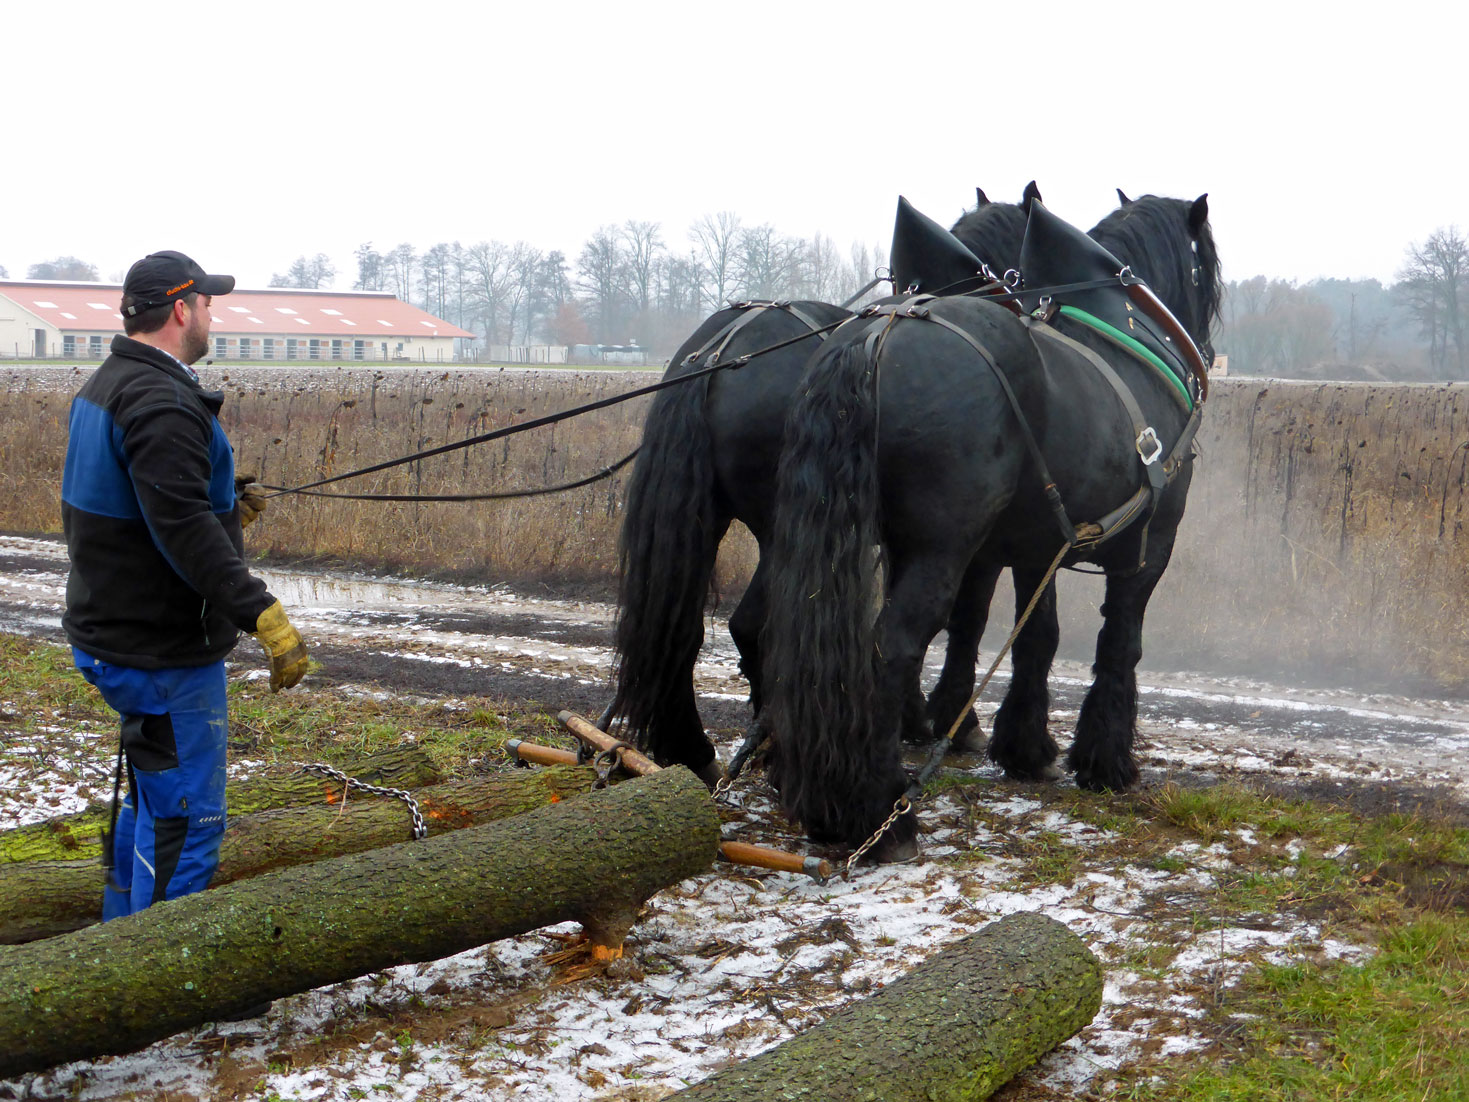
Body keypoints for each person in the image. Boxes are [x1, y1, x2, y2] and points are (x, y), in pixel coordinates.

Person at [61, 250, 309, 920]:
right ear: (180, 308)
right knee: (189, 822)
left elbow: (149, 506)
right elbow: (180, 530)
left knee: (154, 801)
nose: (211, 315)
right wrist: (261, 614)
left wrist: (223, 502)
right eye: (206, 303)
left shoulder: (110, 382)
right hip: (162, 653)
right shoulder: (161, 401)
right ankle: (159, 985)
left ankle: (119, 947)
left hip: (117, 636)